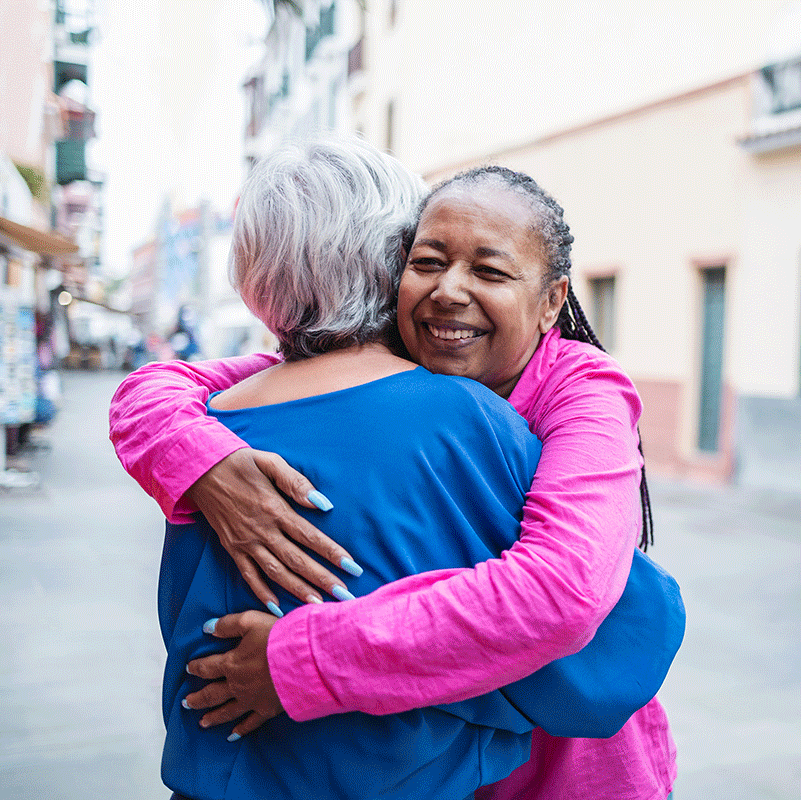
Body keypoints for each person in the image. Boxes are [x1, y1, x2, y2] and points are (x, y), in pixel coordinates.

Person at [110, 159, 679, 799]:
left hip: (570, 775)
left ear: (551, 301)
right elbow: (165, 386)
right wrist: (201, 458)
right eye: (428, 262)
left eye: (489, 271)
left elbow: (560, 593)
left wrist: (300, 660)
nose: (449, 291)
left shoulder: (581, 392)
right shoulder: (411, 359)